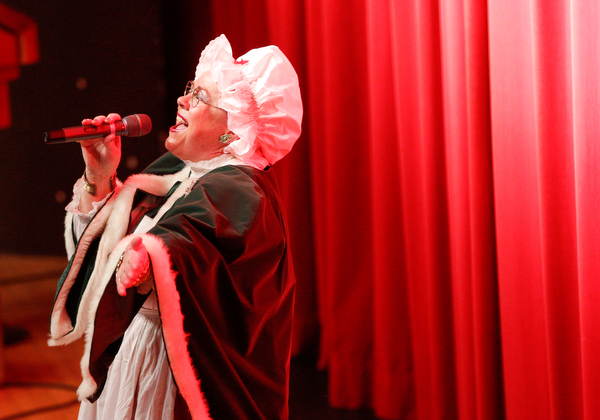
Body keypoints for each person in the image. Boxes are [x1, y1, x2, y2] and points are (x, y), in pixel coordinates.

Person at [48, 34, 303, 420]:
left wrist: (148, 255)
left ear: (232, 131)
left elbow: (190, 239)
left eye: (200, 96)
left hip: (170, 376)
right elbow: (100, 261)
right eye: (189, 89)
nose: (183, 100)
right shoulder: (182, 174)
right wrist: (99, 180)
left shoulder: (240, 190)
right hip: (136, 358)